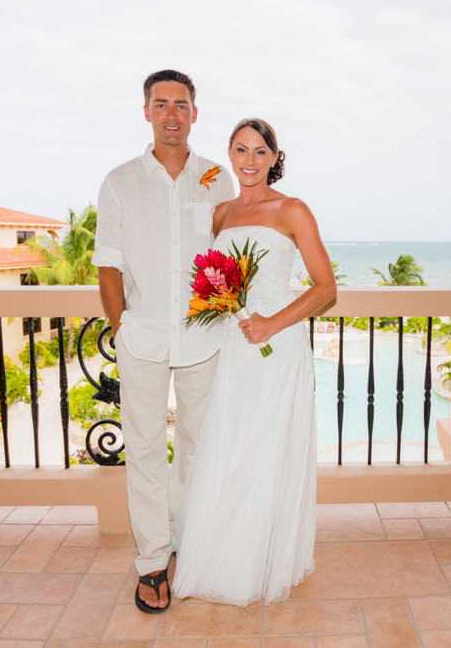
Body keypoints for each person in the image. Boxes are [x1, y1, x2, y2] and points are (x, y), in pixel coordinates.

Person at [172, 118, 336, 606]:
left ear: (274, 158)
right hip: (231, 347)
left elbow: (326, 289)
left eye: (260, 151)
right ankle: (223, 553)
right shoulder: (219, 214)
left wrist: (272, 324)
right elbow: (212, 277)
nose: (249, 161)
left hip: (275, 347)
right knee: (228, 444)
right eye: (240, 150)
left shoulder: (292, 209)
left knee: (267, 449)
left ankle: (261, 559)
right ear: (229, 154)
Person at [93, 70, 235, 613]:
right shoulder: (118, 181)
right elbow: (107, 264)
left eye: (181, 104)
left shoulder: (218, 179)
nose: (172, 113)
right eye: (161, 104)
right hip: (142, 336)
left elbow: (231, 255)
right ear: (147, 112)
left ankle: (186, 539)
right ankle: (152, 558)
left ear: (195, 114)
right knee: (147, 449)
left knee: (198, 449)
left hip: (205, 337)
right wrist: (120, 324)